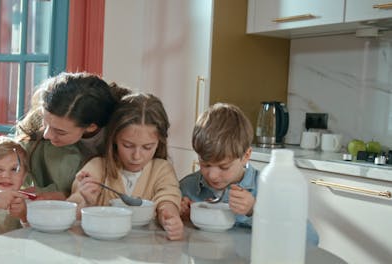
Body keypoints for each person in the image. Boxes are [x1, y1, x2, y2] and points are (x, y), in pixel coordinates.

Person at [0, 72, 131, 231]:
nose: (47, 134)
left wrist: (66, 197)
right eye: (45, 122)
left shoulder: (123, 142)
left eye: (60, 131)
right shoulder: (38, 129)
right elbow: (6, 171)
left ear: (91, 127)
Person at [179, 102, 319, 245]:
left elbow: (310, 239)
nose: (212, 175)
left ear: (246, 156)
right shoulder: (187, 188)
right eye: (205, 164)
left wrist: (255, 210)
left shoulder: (267, 189)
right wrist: (180, 217)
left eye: (224, 167)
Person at [67, 93, 184, 240]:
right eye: (128, 145)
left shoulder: (162, 169)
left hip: (144, 254)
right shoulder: (96, 168)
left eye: (147, 147)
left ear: (159, 142)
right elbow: (70, 218)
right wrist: (86, 202)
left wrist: (169, 216)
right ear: (114, 138)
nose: (137, 156)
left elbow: (167, 197)